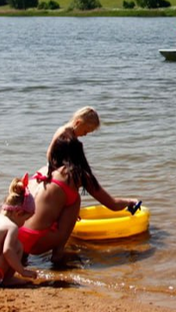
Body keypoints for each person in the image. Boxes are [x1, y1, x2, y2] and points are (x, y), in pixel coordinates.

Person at [19, 108, 139, 264]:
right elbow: (112, 204)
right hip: (38, 242)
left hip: (18, 238)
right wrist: (131, 202)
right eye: (87, 131)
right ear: (78, 154)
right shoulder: (77, 176)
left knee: (58, 199)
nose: (87, 134)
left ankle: (22, 256)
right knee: (73, 199)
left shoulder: (41, 175)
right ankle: (58, 254)